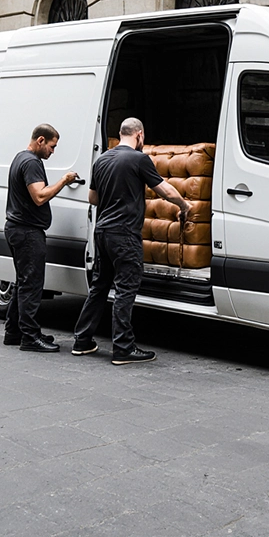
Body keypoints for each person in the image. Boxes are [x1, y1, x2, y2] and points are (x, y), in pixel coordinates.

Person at [72, 117, 192, 365]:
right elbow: (165, 190)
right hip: (124, 234)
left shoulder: (102, 159)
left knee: (99, 287)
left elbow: (93, 198)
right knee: (125, 289)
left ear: (121, 133)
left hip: (102, 233)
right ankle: (123, 348)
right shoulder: (139, 159)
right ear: (139, 135)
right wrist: (184, 205)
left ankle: (82, 341)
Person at [4, 123, 79, 352]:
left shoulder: (20, 157)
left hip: (17, 229)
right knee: (32, 285)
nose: (52, 152)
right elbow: (39, 196)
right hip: (27, 232)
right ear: (40, 140)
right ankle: (30, 337)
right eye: (52, 146)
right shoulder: (31, 162)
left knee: (23, 283)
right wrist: (64, 181)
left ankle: (14, 332)